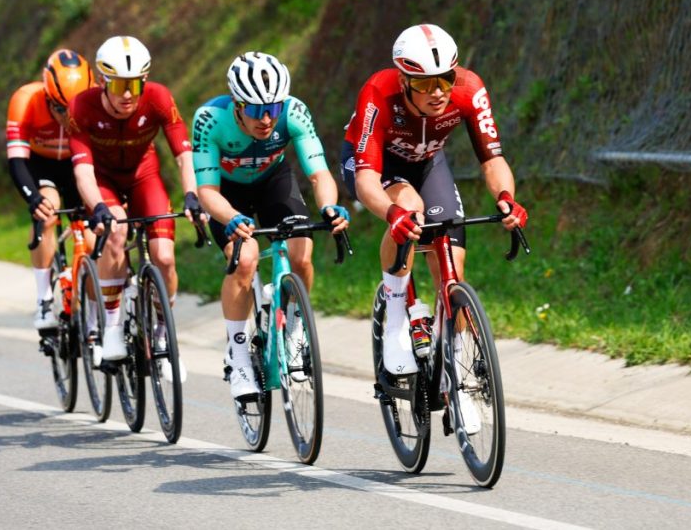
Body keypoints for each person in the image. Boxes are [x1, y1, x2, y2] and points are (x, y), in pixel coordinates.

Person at [341, 23, 528, 430]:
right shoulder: (379, 92)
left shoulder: (469, 89)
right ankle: (395, 315)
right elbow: (366, 180)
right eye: (426, 83)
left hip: (428, 163)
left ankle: (457, 377)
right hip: (375, 165)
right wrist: (392, 213)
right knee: (409, 207)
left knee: (452, 270)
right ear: (404, 81)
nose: (439, 91)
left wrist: (506, 198)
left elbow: (493, 160)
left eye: (446, 79)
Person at [192, 51, 349, 399]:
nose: (266, 119)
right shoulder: (210, 119)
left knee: (301, 254)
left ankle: (294, 330)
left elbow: (319, 173)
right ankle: (237, 355)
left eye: (273, 108)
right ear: (237, 105)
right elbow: (207, 191)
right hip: (227, 194)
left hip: (273, 182)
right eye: (255, 110)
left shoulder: (293, 111)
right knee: (245, 259)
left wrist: (328, 206)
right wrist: (230, 217)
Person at [70, 35, 201, 381]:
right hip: (103, 180)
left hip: (144, 175)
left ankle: (163, 336)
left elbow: (183, 155)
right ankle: (112, 326)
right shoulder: (82, 106)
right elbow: (82, 171)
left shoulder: (158, 98)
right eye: (119, 85)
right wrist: (97, 206)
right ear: (102, 81)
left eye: (135, 84)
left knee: (165, 257)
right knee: (116, 231)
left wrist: (191, 194)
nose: (128, 94)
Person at [6, 49, 94, 330]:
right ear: (47, 96)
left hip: (77, 164)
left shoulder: (96, 99)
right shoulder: (25, 100)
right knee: (47, 212)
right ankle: (44, 298)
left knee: (94, 238)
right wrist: (32, 198)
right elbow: (17, 161)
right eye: (60, 109)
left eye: (75, 109)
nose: (68, 117)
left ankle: (95, 312)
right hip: (40, 165)